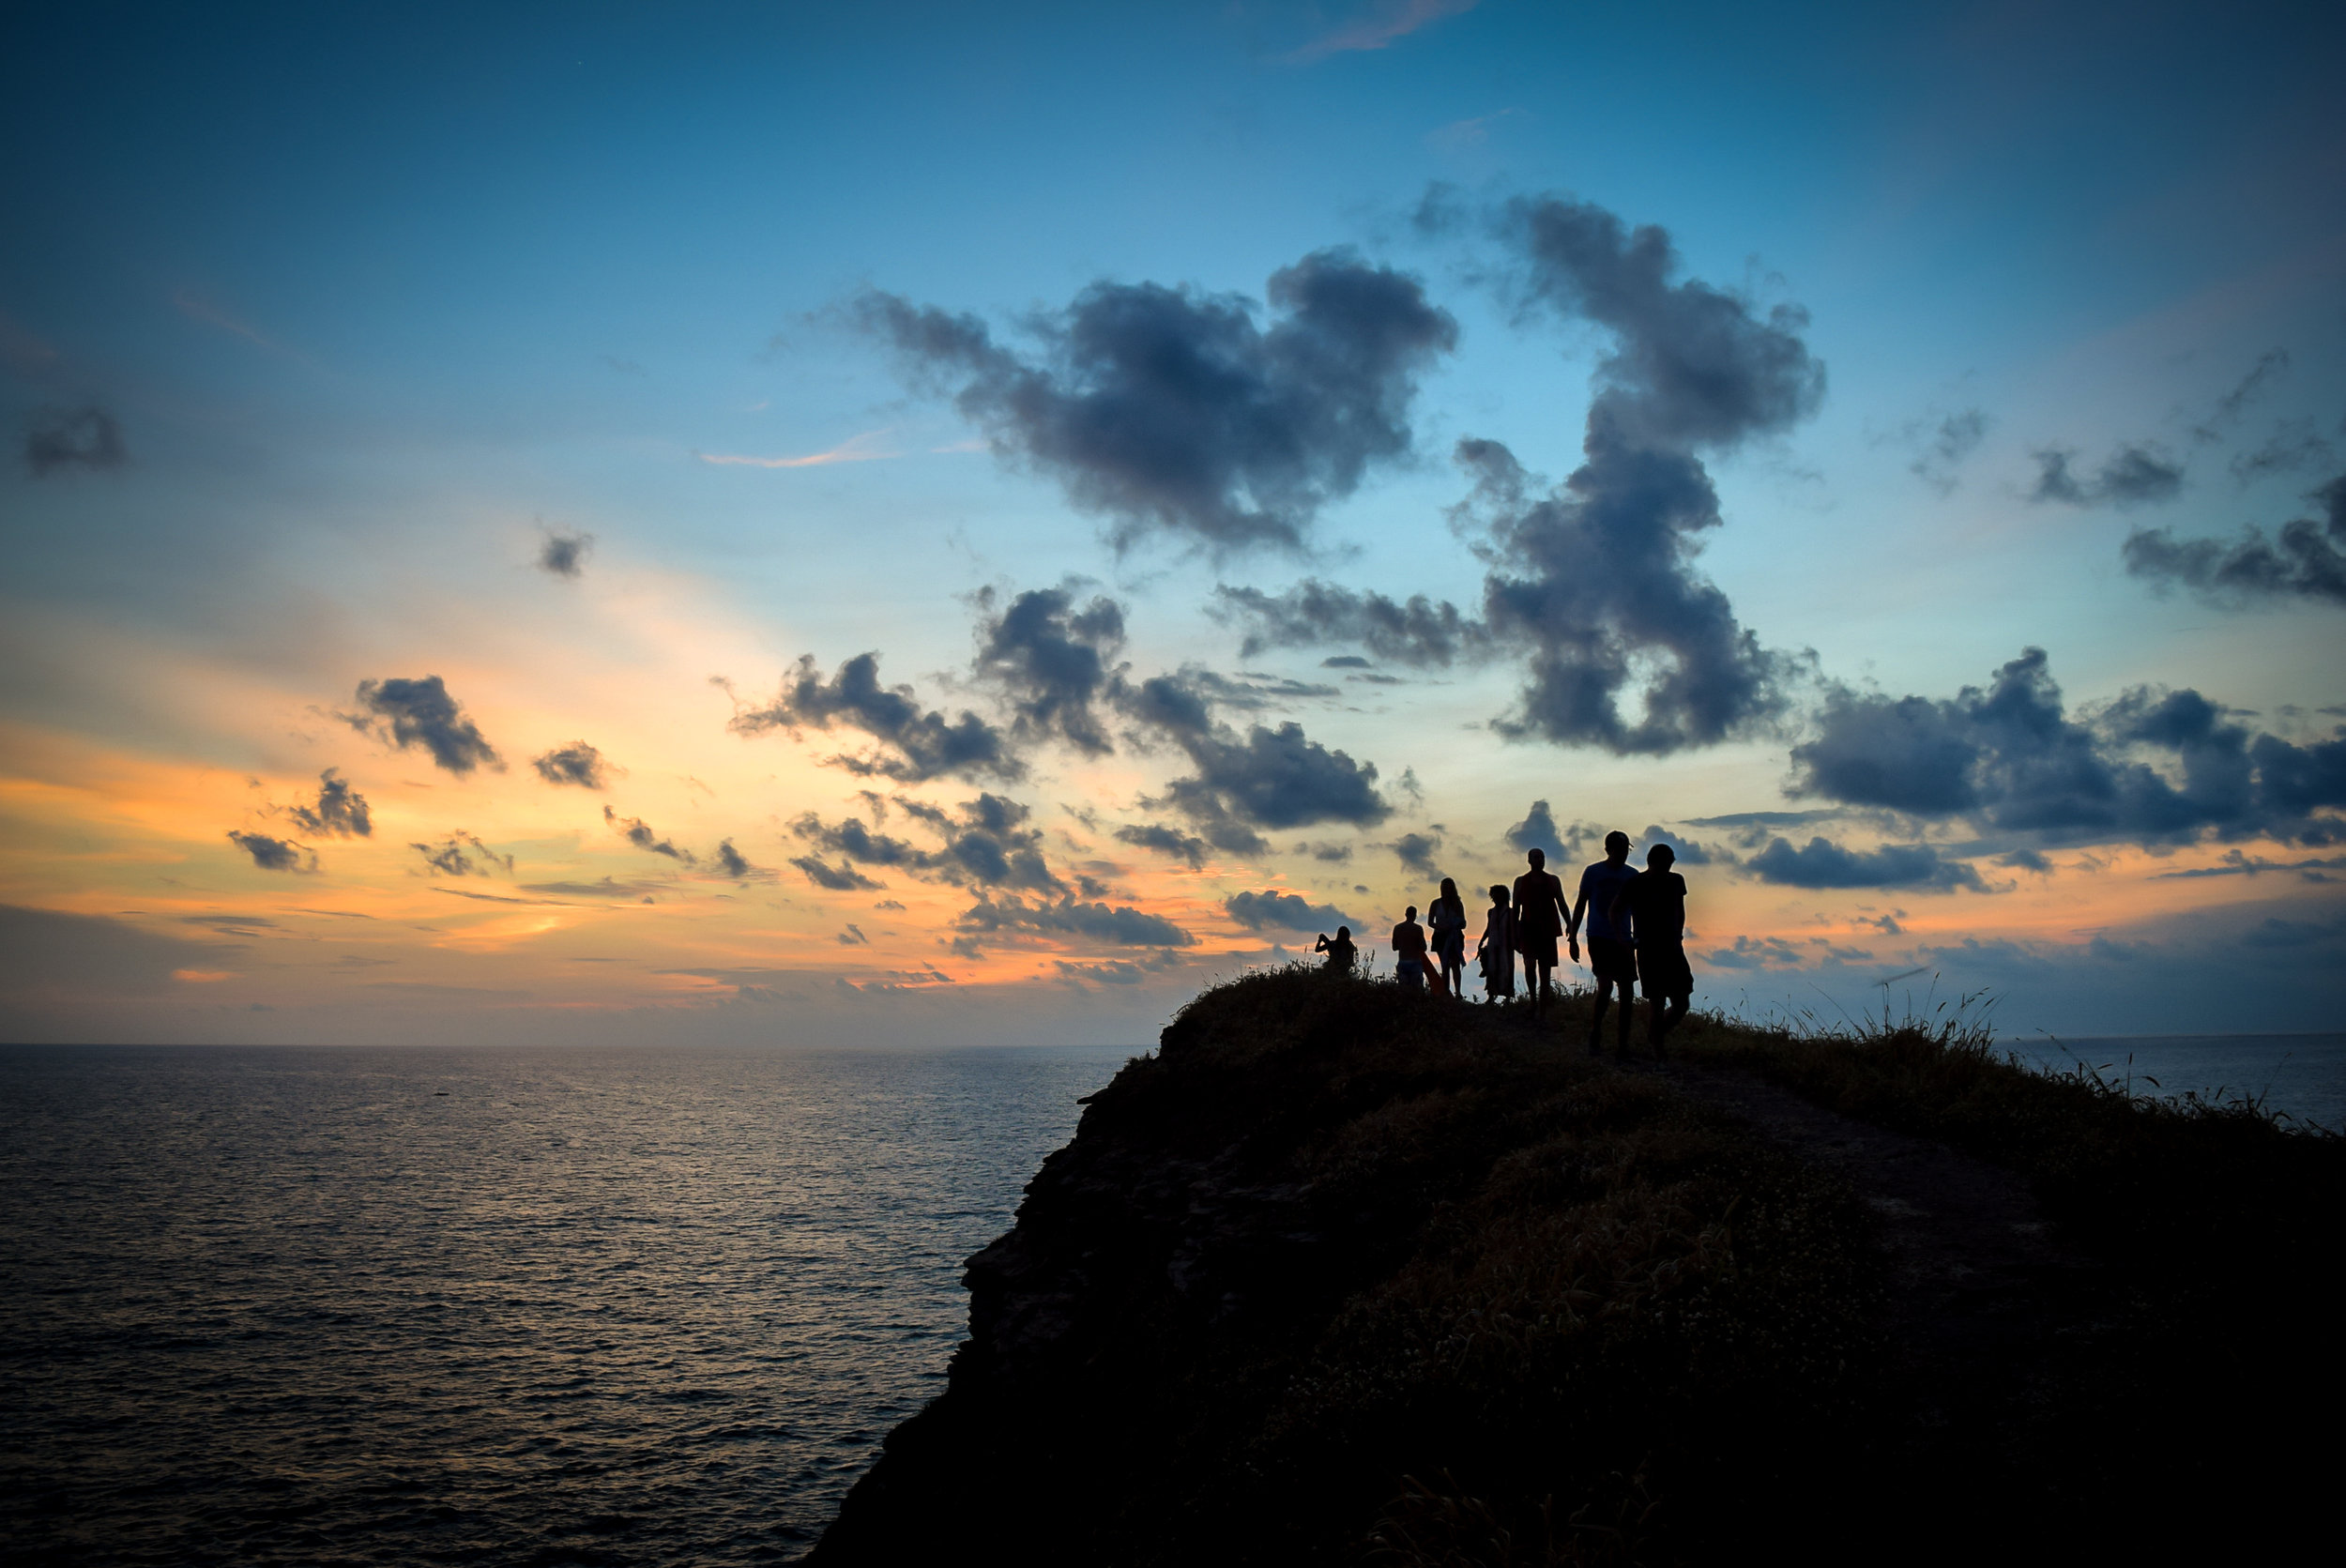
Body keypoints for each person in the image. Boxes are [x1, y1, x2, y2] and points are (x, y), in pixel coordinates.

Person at [1612, 843, 1693, 1055]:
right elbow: (1615, 910)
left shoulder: (1677, 881)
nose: (1670, 865)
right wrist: (1623, 939)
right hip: (1649, 949)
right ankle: (1659, 1053)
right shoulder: (1636, 882)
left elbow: (1680, 910)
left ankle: (1654, 1035)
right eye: (1667, 862)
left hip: (1673, 948)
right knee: (1657, 1002)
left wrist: (1679, 933)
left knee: (1681, 1002)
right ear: (1656, 862)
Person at [1567, 830, 1640, 1055]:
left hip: (1624, 939)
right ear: (1608, 850)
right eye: (1619, 850)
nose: (1623, 854)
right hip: (1598, 936)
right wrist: (1573, 936)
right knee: (1606, 986)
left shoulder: (1632, 875)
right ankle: (1596, 1031)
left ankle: (1622, 1044)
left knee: (1627, 990)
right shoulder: (1593, 872)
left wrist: (1636, 937)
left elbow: (1637, 909)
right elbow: (1581, 904)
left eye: (1626, 849)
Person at [1511, 848, 1568, 1014]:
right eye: (1536, 857)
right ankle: (1533, 1001)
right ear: (1529, 860)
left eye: (1542, 857)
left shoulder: (1553, 880)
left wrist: (1570, 924)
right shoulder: (1521, 881)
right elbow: (1515, 909)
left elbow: (1562, 904)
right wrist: (1514, 934)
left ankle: (1542, 1007)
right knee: (1529, 965)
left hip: (1548, 930)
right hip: (1528, 929)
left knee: (1545, 970)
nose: (1540, 860)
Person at [1427, 877, 1469, 998]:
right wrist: (1440, 927)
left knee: (1455, 964)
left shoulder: (1457, 904)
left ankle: (1458, 993)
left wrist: (1455, 924)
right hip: (1440, 936)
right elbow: (1430, 922)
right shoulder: (1435, 903)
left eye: (1448, 887)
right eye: (1444, 887)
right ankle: (1445, 992)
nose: (1446, 890)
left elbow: (1464, 923)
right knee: (1444, 966)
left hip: (1454, 936)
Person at [1475, 884, 1516, 1001]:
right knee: (1492, 969)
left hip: (1506, 945)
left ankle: (1507, 997)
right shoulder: (1491, 912)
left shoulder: (1510, 912)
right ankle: (1491, 995)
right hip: (1493, 944)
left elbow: (1513, 928)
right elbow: (1489, 928)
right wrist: (1482, 941)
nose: (1495, 897)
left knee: (1506, 968)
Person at [1391, 906, 1429, 990]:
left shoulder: (1397, 928)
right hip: (1415, 962)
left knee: (1403, 990)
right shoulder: (1418, 929)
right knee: (1417, 990)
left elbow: (1394, 947)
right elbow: (1423, 947)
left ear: (1406, 914)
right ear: (1415, 916)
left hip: (1402, 962)